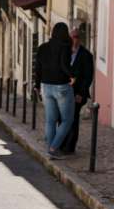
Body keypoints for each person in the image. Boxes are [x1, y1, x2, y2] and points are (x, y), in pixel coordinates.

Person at [34, 22, 75, 160]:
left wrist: (37, 85)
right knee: (67, 120)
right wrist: (72, 76)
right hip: (61, 86)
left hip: (46, 86)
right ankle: (53, 148)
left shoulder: (42, 48)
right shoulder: (65, 47)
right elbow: (64, 65)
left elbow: (38, 68)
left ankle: (50, 150)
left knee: (50, 120)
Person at [62, 24, 94, 154]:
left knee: (73, 118)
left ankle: (70, 147)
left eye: (77, 37)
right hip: (63, 92)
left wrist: (81, 93)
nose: (75, 40)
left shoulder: (86, 55)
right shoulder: (64, 52)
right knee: (62, 118)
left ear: (80, 39)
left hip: (77, 94)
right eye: (72, 37)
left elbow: (88, 76)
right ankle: (62, 143)